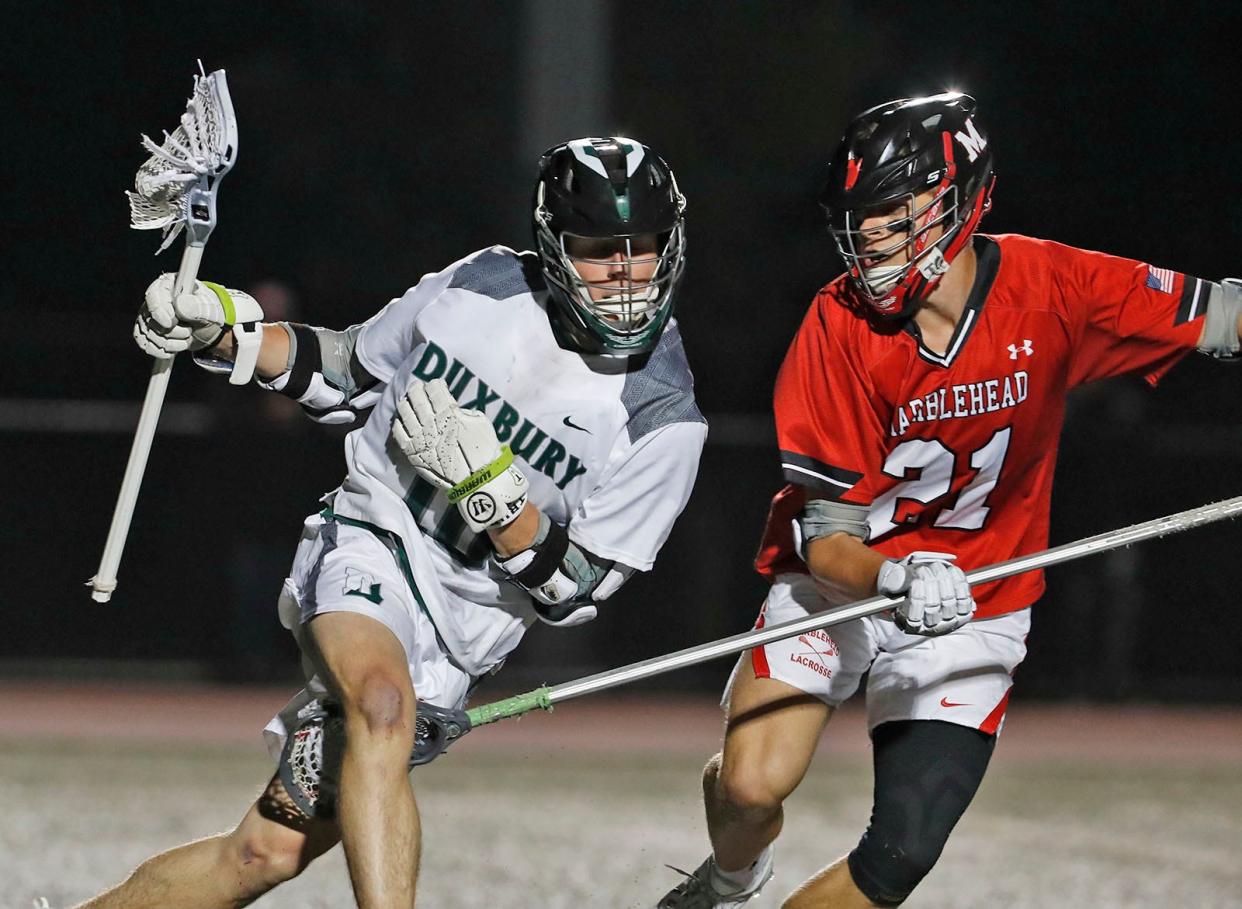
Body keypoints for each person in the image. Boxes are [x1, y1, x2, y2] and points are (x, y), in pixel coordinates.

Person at [80, 136, 707, 909]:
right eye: (595, 250)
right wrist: (220, 330)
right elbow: (347, 373)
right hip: (374, 537)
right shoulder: (480, 285)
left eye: (640, 248)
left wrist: (500, 504)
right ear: (551, 247)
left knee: (264, 851)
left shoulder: (664, 418)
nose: (622, 274)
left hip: (460, 638)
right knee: (381, 702)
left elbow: (576, 590)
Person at [657, 93, 1241, 909]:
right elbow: (828, 541)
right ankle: (730, 877)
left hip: (982, 599)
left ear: (958, 200)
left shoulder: (1055, 284)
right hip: (844, 586)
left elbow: (1223, 314)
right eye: (860, 220)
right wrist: (895, 580)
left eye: (892, 217)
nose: (869, 241)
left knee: (902, 848)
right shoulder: (837, 325)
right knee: (752, 788)